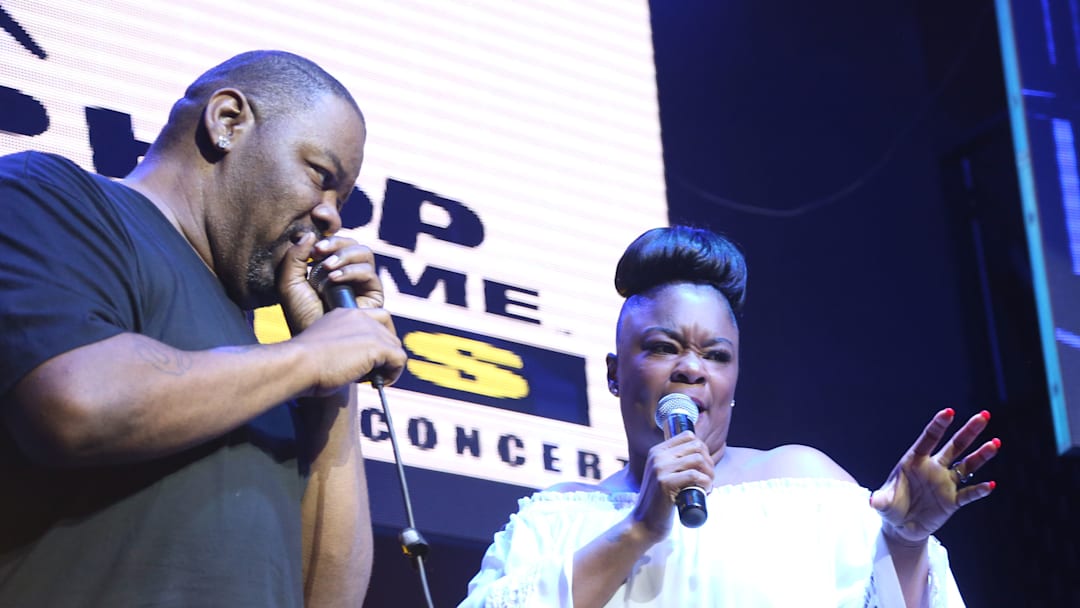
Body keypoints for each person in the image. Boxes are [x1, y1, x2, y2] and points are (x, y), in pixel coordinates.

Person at [0, 50, 407, 607]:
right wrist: (312, 357)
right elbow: (77, 404)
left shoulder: (262, 367)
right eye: (321, 176)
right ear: (227, 121)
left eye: (342, 198)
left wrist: (334, 385)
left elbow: (327, 598)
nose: (332, 215)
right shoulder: (53, 195)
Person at [460, 225, 999, 607]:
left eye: (716, 355)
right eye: (663, 347)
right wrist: (639, 529)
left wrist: (905, 544)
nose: (692, 368)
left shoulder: (807, 489)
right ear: (614, 373)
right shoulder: (553, 521)